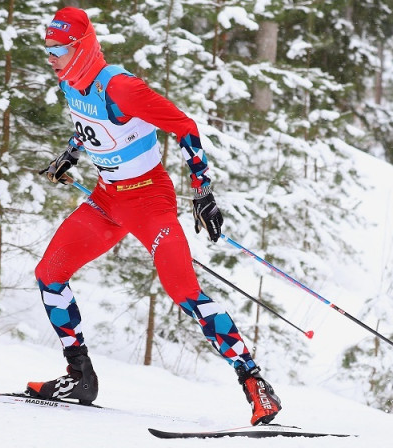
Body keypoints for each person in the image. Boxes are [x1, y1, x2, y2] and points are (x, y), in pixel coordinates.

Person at [26, 7, 282, 426]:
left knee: (186, 293)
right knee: (49, 274)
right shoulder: (72, 82)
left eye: (59, 48)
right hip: (106, 200)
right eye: (47, 48)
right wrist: (70, 154)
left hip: (149, 202)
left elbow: (184, 126)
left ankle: (255, 384)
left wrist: (203, 191)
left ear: (82, 48)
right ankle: (80, 377)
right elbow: (87, 124)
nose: (51, 56)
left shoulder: (121, 87)